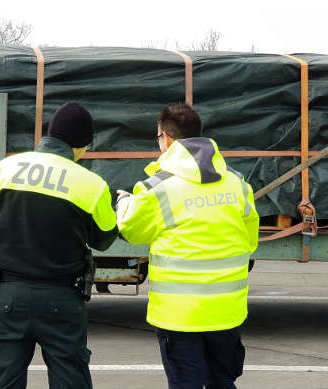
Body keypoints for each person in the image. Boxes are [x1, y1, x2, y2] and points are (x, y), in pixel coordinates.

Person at [0, 102, 118, 389]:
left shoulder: (2, 170)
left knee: (0, 380)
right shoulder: (92, 184)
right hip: (62, 299)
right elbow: (105, 239)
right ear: (83, 145)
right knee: (70, 378)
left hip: (7, 296)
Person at [115, 103, 259, 389]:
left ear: (167, 138)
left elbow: (131, 230)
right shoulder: (237, 183)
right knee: (223, 382)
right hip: (227, 312)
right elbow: (250, 240)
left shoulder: (156, 188)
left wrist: (123, 202)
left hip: (178, 315)